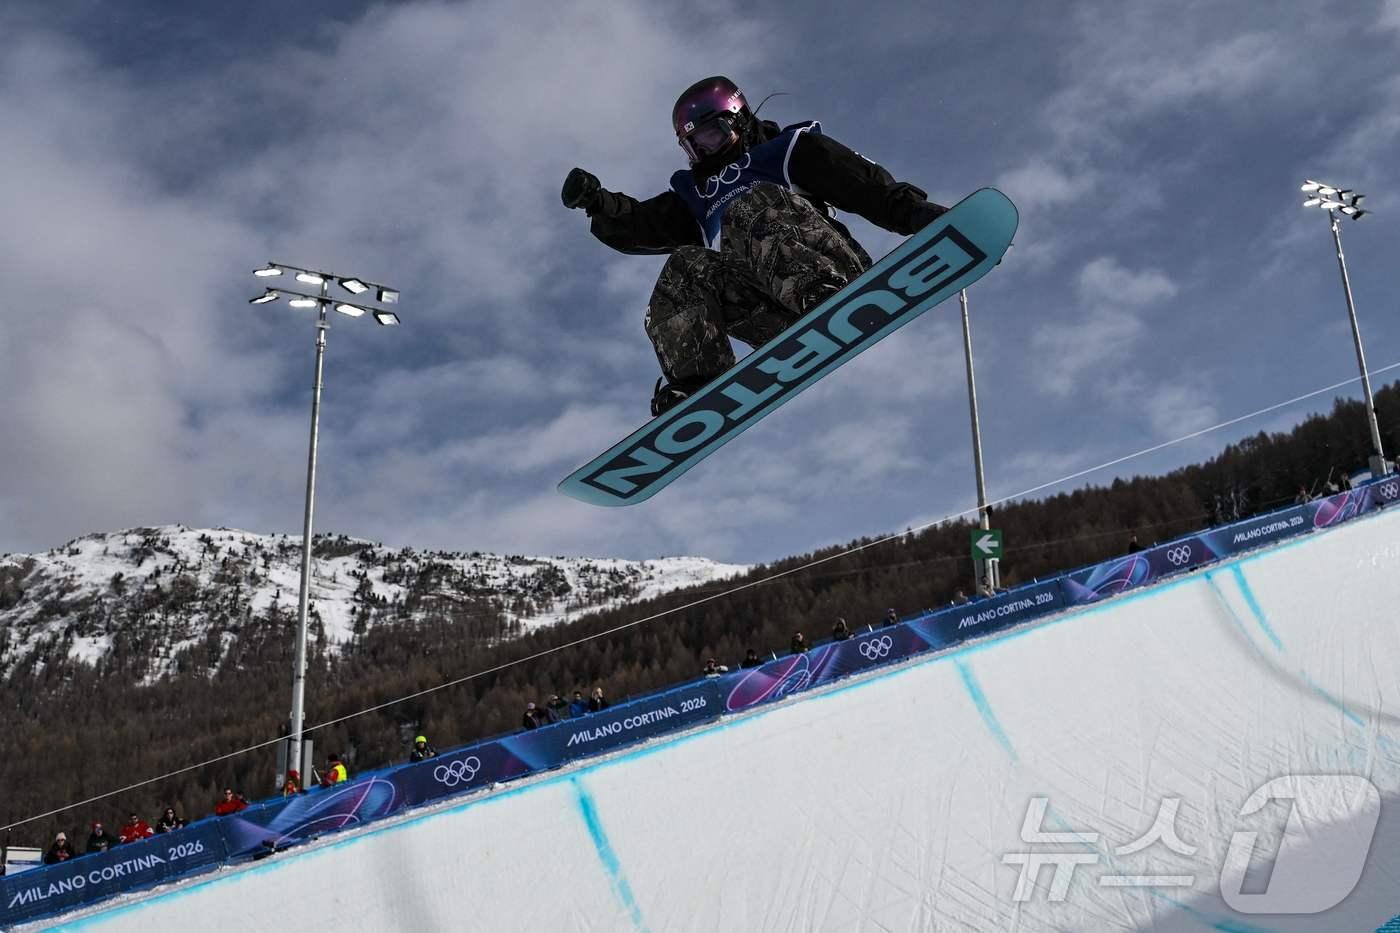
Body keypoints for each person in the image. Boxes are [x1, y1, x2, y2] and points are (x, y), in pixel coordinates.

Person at [561, 76, 950, 415]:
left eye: (711, 137)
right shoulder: (698, 194)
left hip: (828, 273)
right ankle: (698, 378)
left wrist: (917, 216)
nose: (705, 153)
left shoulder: (786, 151)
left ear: (738, 119)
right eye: (693, 146)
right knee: (685, 266)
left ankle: (820, 296)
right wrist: (599, 203)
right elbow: (642, 225)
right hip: (766, 309)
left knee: (746, 205)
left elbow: (864, 186)